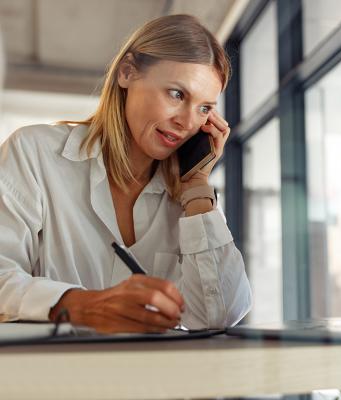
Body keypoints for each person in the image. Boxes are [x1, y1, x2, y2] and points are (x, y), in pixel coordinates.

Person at [0, 14, 252, 333]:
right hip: (49, 378)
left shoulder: (189, 199)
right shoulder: (34, 153)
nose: (188, 122)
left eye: (204, 108)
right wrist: (82, 305)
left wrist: (198, 190)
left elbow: (222, 314)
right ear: (127, 72)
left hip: (148, 380)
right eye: (177, 94)